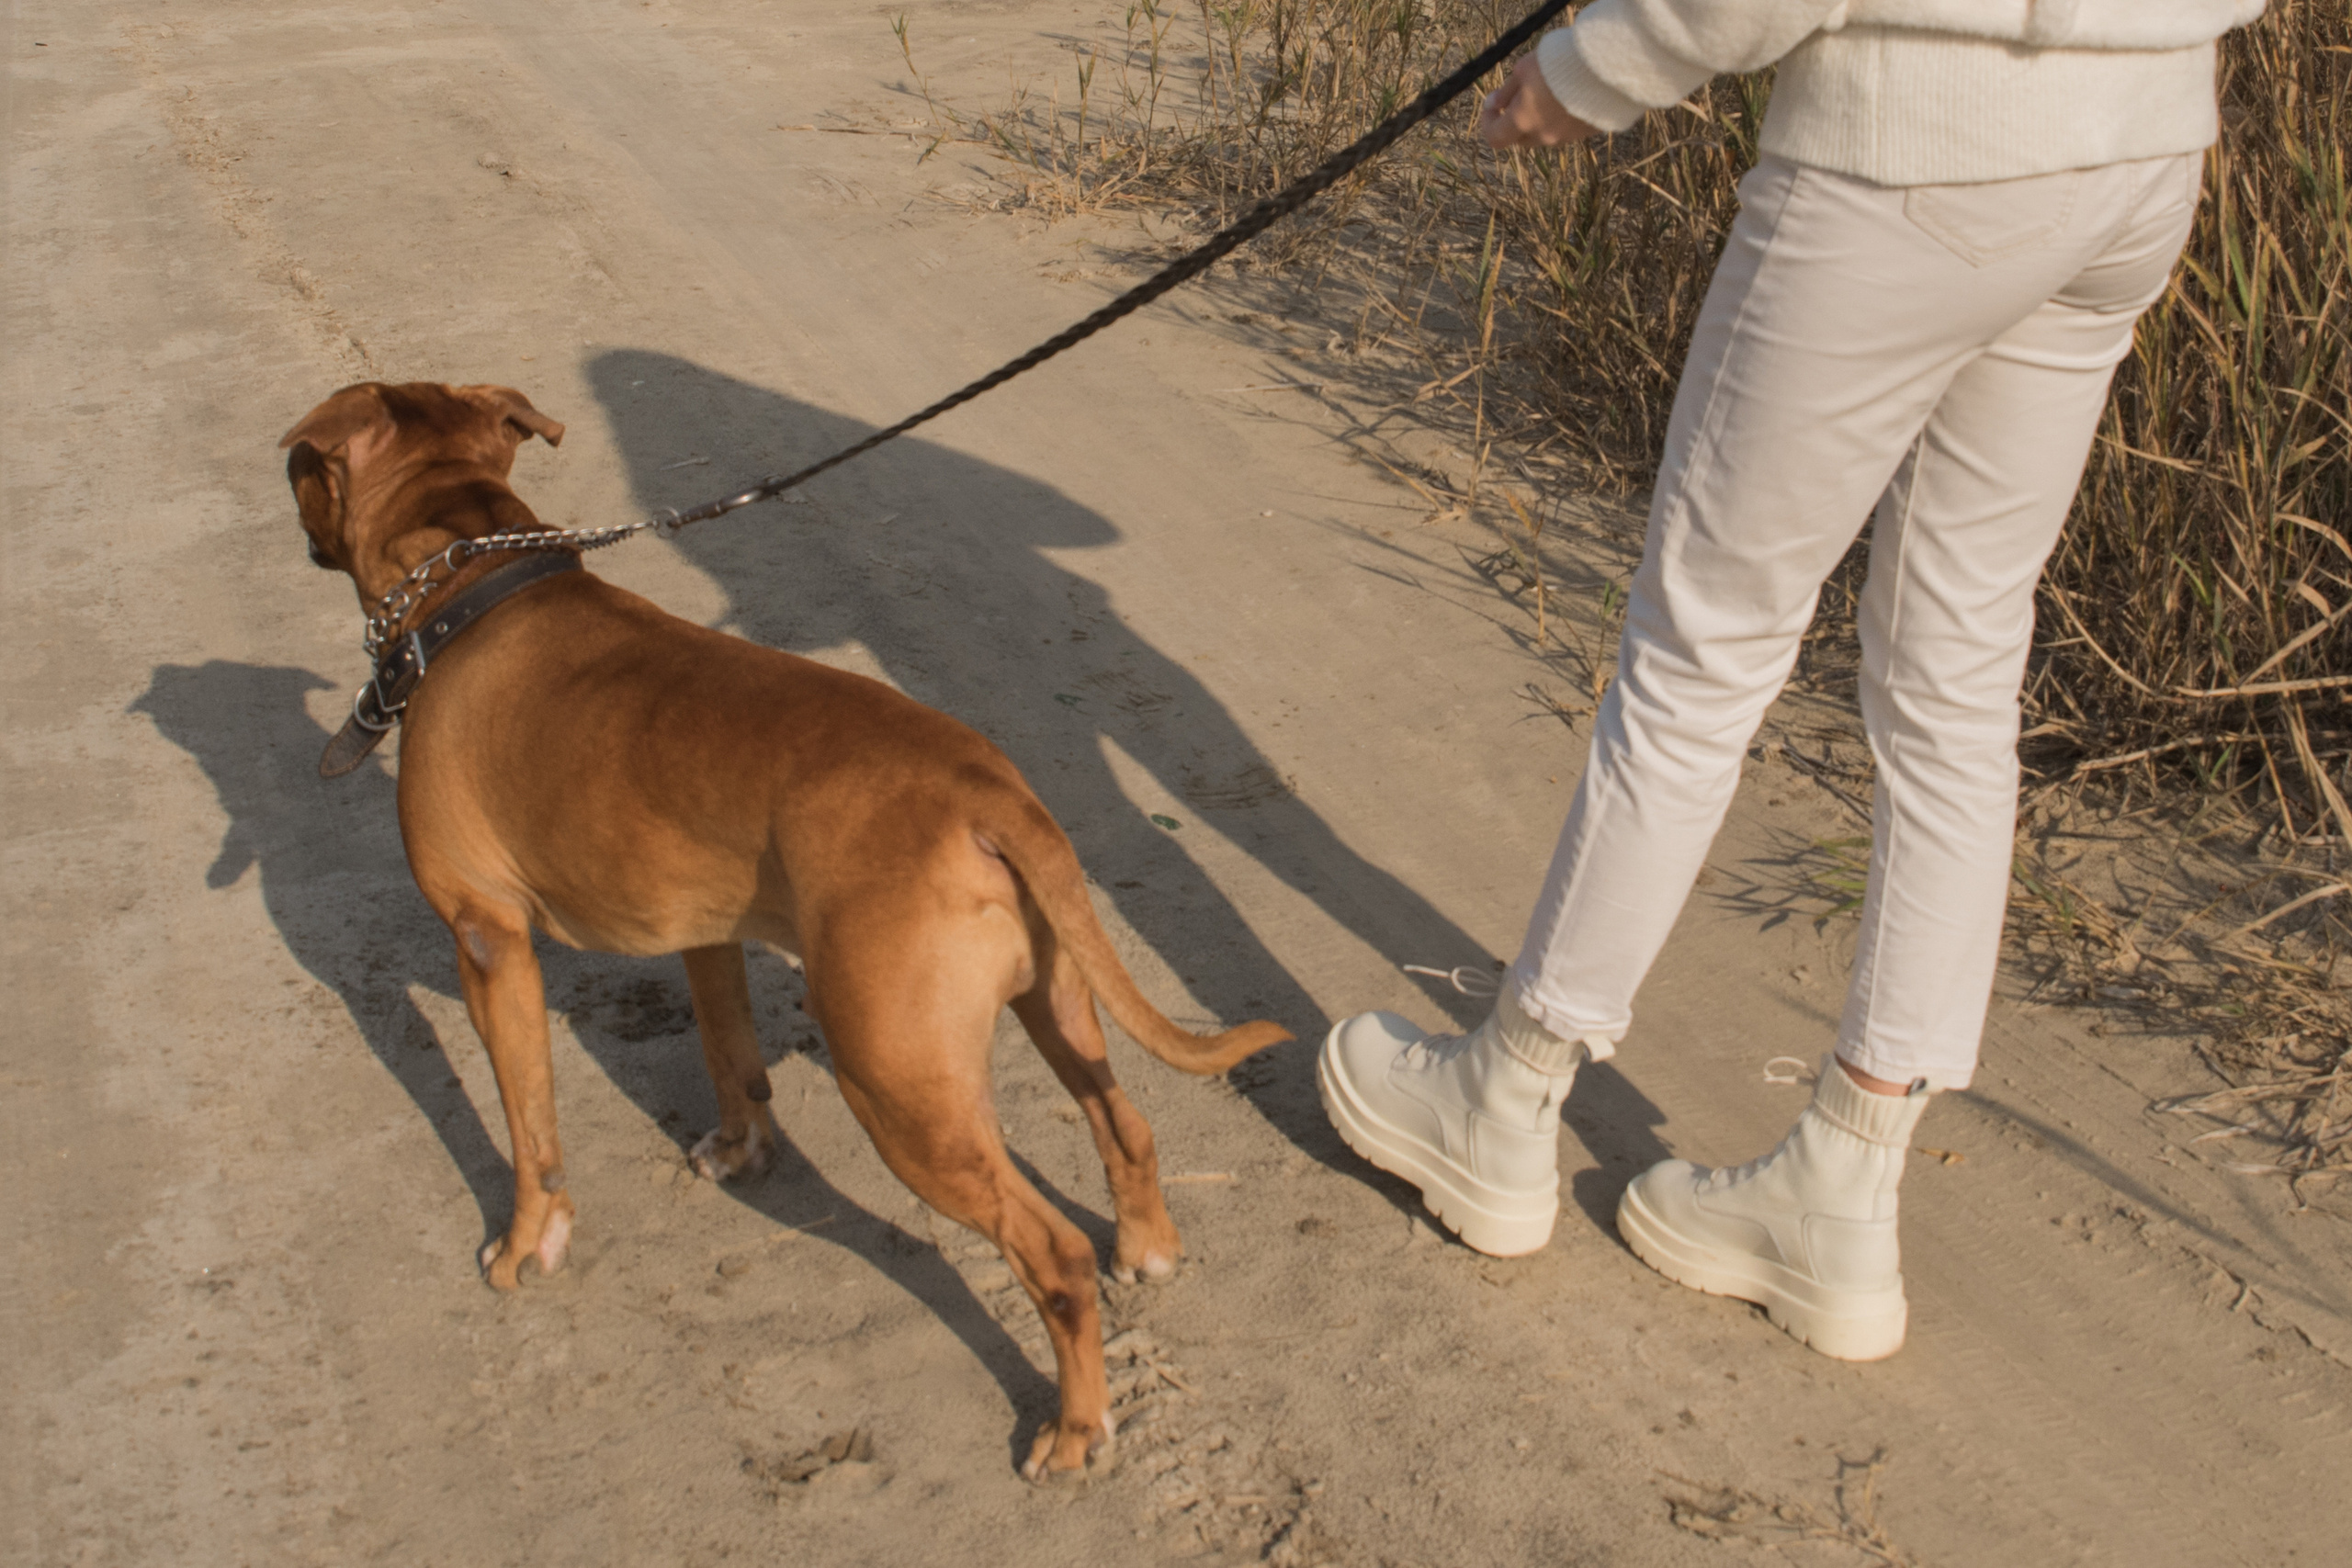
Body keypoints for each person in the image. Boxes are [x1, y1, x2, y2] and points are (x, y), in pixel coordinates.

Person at [1317, 0, 2266, 1361]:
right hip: (2139, 146)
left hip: (1910, 151)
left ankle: (1505, 1098)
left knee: (1705, 646)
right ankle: (1845, 1188)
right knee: (1957, 672)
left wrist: (1591, 70)